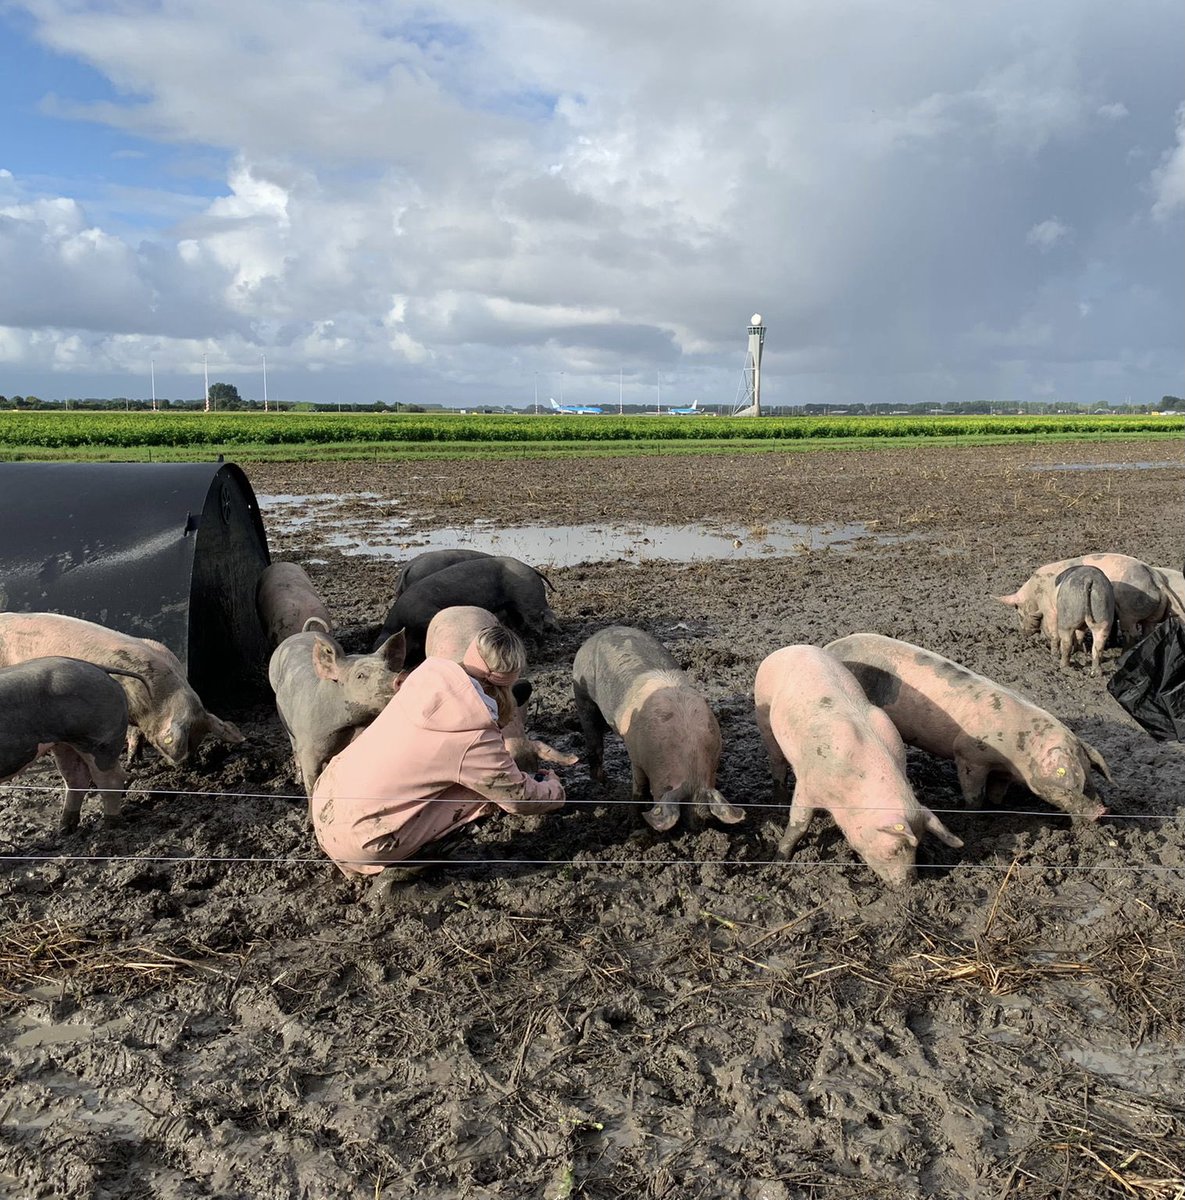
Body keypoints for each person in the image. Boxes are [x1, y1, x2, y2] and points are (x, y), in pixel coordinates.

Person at [311, 624, 566, 879]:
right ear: (509, 680)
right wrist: (554, 789)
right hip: (365, 840)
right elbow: (518, 798)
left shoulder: (425, 675)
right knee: (484, 793)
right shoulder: (475, 734)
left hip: (325, 804)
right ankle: (401, 877)